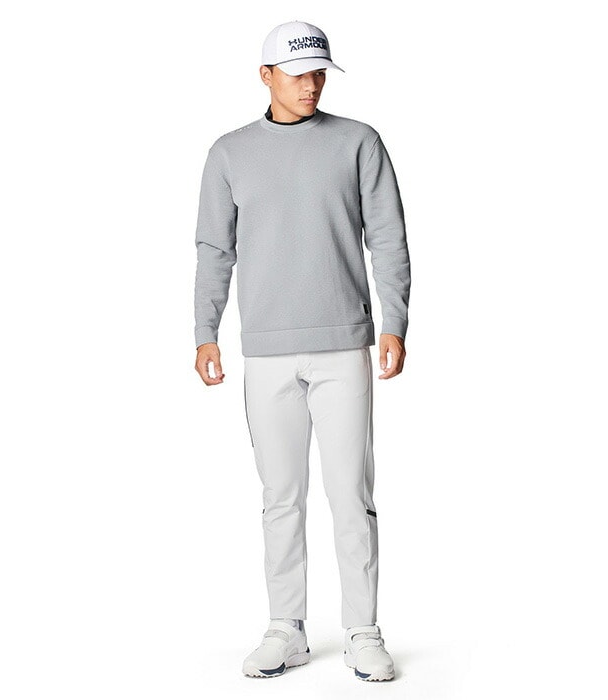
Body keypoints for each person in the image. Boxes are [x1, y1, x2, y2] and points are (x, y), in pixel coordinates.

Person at [193, 20, 411, 682]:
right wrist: (205, 332)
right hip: (266, 352)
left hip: (345, 346)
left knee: (351, 495)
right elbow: (215, 249)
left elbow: (388, 236)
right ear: (266, 76)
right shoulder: (229, 153)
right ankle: (285, 628)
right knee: (280, 497)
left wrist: (395, 322)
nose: (311, 84)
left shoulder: (358, 142)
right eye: (297, 73)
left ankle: (363, 631)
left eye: (319, 72)